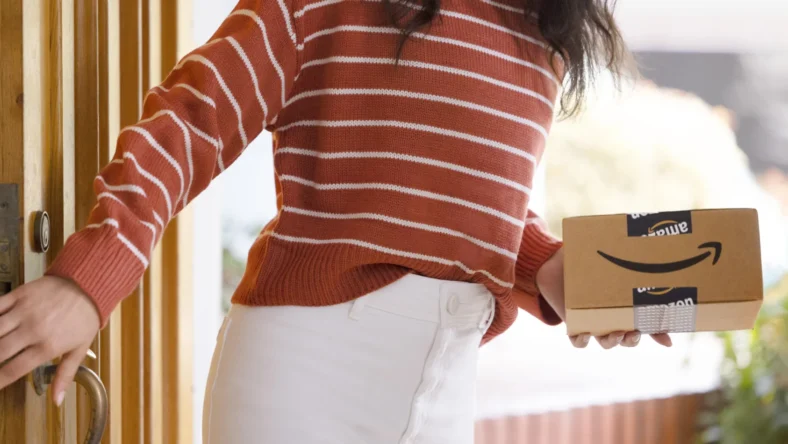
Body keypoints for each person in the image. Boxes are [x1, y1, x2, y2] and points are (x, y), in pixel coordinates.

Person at [0, 0, 671, 442]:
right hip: (303, 380)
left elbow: (453, 192)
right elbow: (190, 121)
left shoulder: (547, 35)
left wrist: (548, 269)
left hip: (445, 393)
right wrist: (91, 277)